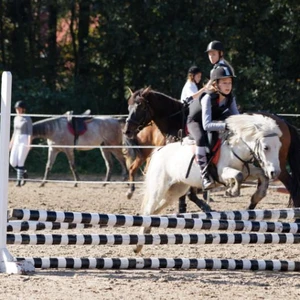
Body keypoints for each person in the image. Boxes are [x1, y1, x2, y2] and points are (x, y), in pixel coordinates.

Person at [186, 65, 239, 190]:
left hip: (213, 120)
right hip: (196, 121)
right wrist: (226, 125)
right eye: (224, 83)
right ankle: (204, 176)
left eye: (230, 83)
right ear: (216, 84)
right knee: (200, 139)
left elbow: (237, 118)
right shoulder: (208, 98)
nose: (228, 86)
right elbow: (207, 125)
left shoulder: (230, 98)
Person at [9, 100, 32, 187]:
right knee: (12, 162)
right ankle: (24, 173)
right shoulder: (15, 118)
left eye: (19, 109)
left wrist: (29, 143)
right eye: (16, 109)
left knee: (20, 161)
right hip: (16, 139)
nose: (17, 110)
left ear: (23, 109)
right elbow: (14, 132)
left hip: (24, 139)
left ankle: (18, 182)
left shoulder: (27, 118)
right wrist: (11, 143)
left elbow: (30, 132)